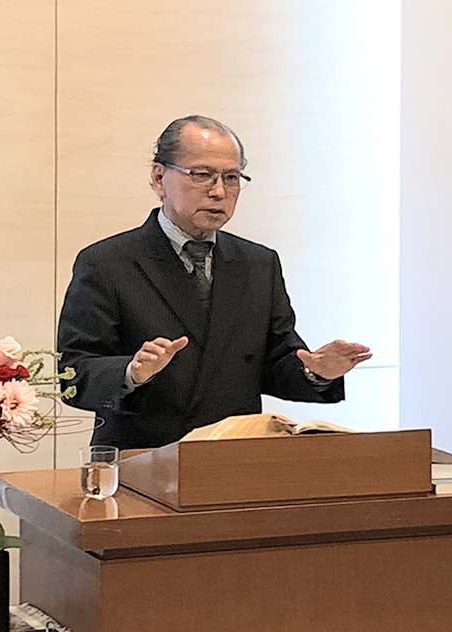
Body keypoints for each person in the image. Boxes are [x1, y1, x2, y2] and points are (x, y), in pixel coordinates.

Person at [57, 115, 371, 449]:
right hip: (141, 461)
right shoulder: (107, 262)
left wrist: (317, 371)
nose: (219, 191)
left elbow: (274, 363)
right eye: (202, 175)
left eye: (231, 177)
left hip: (232, 461)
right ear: (159, 178)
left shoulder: (258, 263)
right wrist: (130, 373)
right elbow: (74, 373)